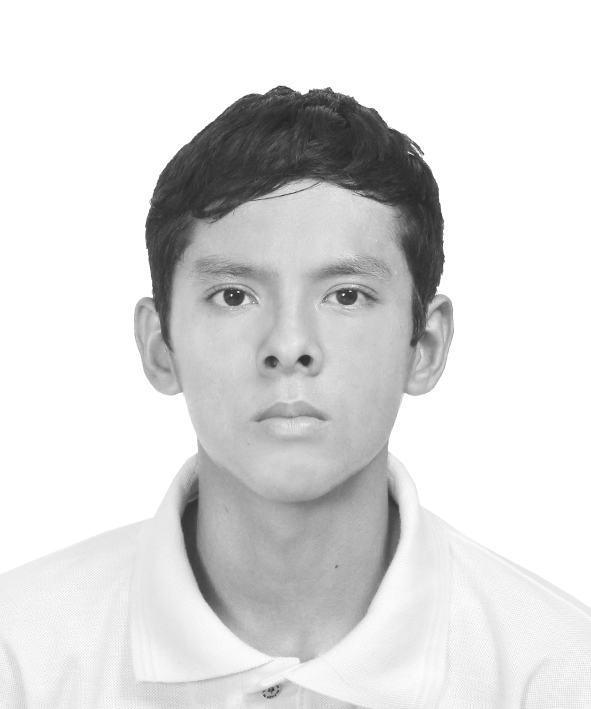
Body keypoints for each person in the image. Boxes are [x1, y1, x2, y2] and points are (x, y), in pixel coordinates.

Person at [1, 86, 589, 708]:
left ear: (426, 344)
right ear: (159, 345)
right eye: (233, 296)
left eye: (346, 295)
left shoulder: (558, 676)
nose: (288, 346)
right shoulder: (20, 661)